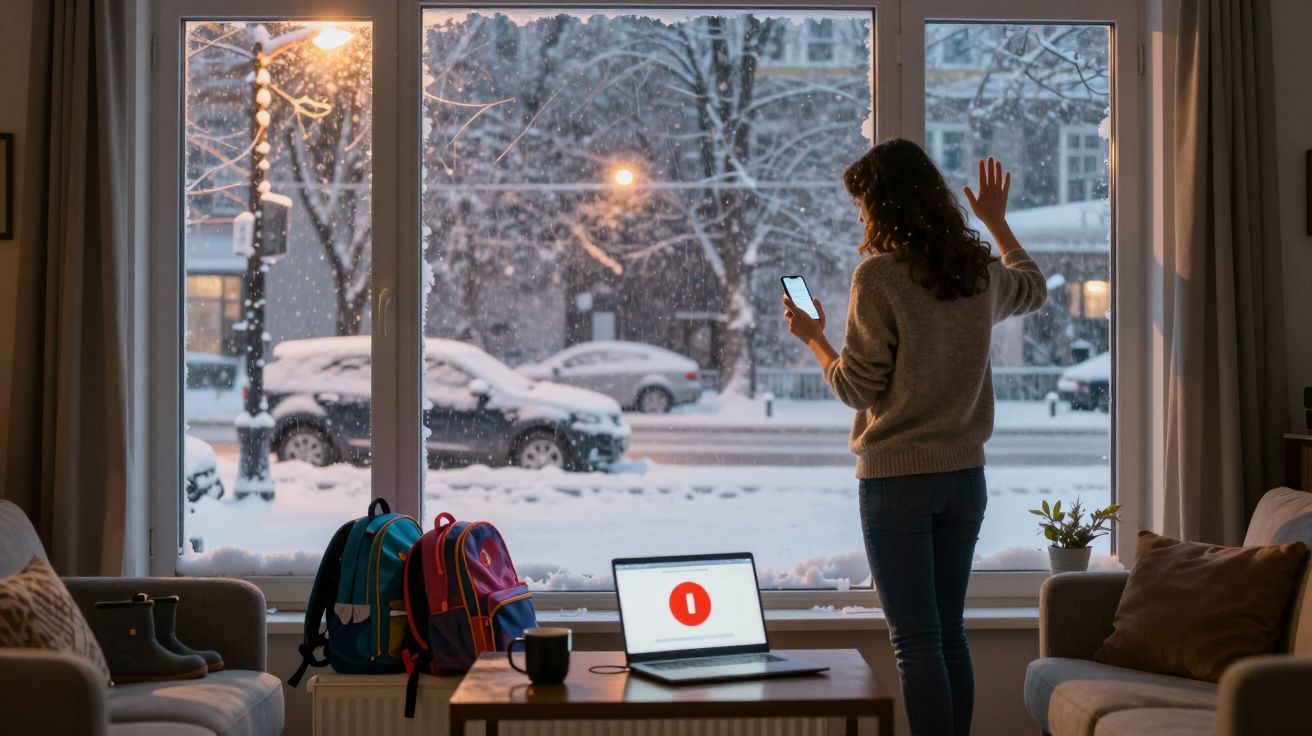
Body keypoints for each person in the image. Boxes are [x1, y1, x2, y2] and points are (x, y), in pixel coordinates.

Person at [782, 139, 1047, 736]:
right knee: (949, 634)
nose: (859, 216)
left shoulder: (879, 277)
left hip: (898, 480)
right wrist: (996, 222)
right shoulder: (977, 272)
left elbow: (855, 388)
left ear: (884, 206)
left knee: (917, 643)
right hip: (965, 481)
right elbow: (1032, 287)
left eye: (862, 204)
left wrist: (814, 337)